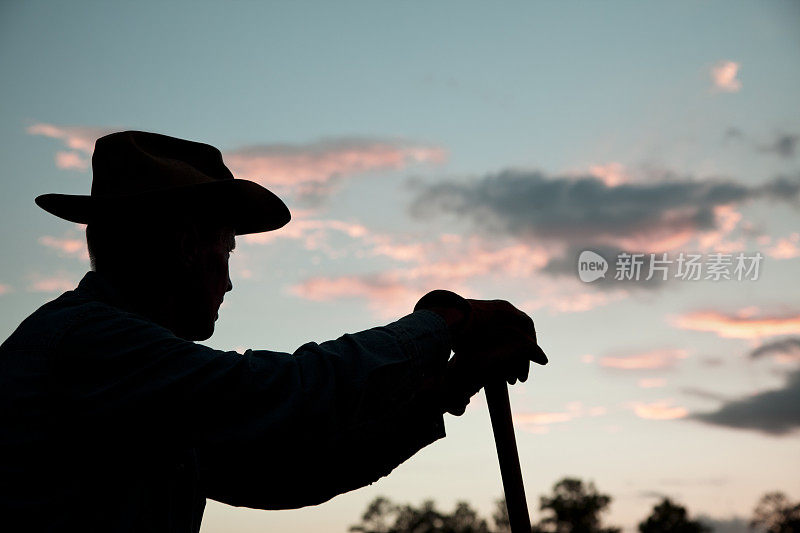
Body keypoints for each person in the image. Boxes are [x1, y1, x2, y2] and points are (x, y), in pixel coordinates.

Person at [0, 131, 548, 532]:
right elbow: (286, 393)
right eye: (227, 249)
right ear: (190, 247)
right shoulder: (86, 342)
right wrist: (445, 321)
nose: (231, 282)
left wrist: (451, 385)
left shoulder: (134, 378)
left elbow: (288, 470)